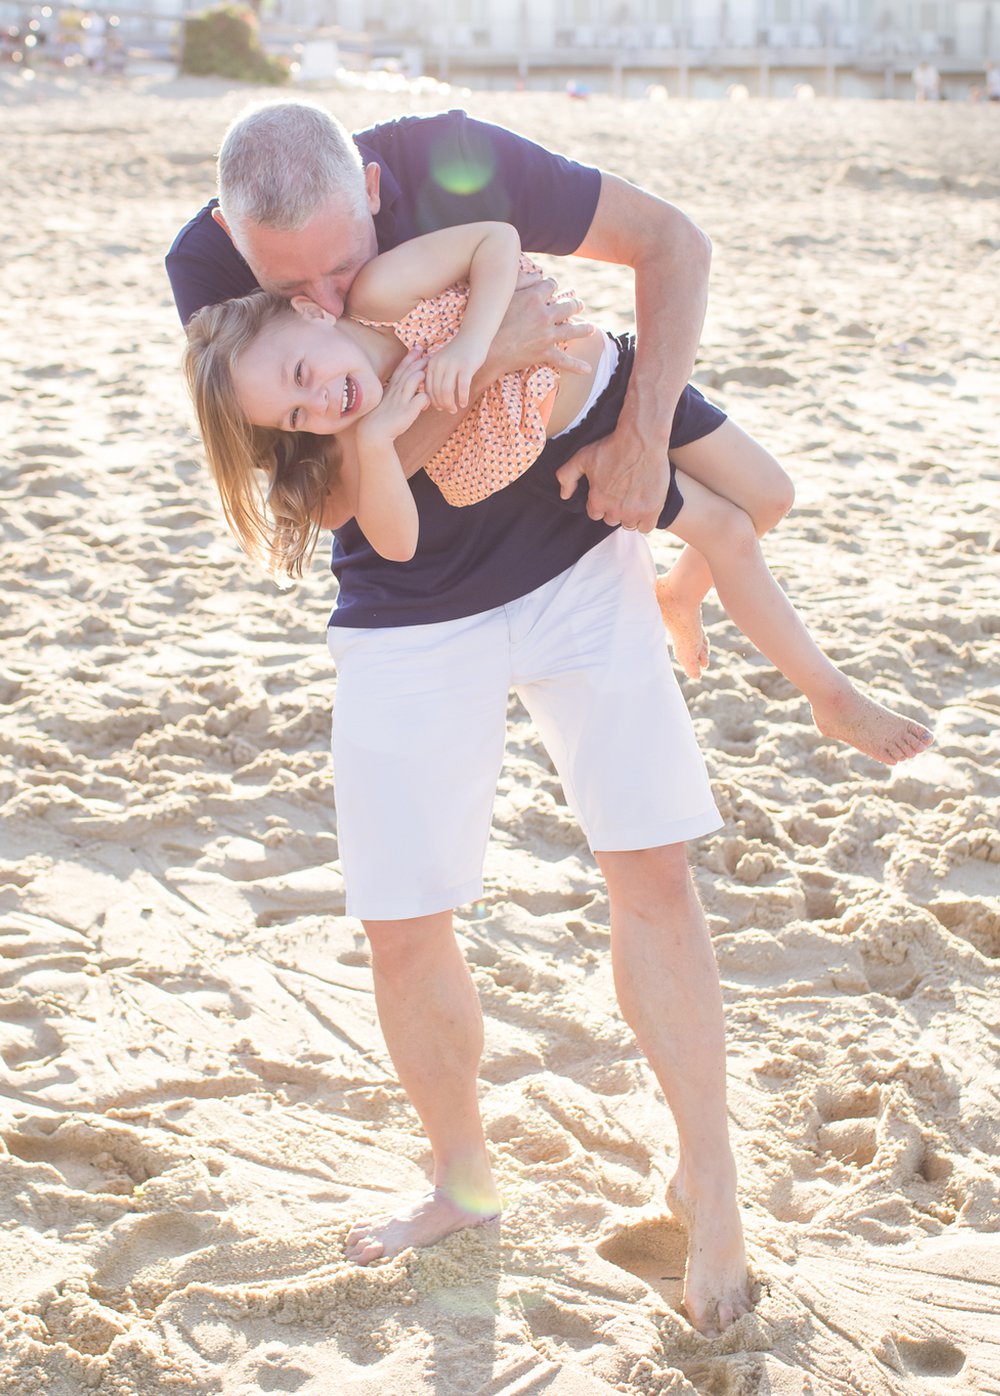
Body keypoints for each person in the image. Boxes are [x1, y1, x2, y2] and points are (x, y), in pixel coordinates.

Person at [164, 98, 900, 1337]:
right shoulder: (212, 276)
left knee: (649, 867)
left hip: (576, 557)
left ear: (379, 192)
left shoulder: (457, 161)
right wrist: (486, 367)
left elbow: (672, 244)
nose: (332, 301)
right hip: (403, 610)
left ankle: (708, 1183)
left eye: (343, 263)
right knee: (403, 919)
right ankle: (461, 1180)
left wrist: (641, 442)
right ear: (246, 261)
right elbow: (336, 498)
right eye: (299, 286)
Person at [183, 224, 933, 768]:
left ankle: (678, 594)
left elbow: (495, 241)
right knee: (731, 532)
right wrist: (376, 442)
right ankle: (829, 696)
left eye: (300, 375)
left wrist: (474, 344)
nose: (318, 403)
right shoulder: (360, 429)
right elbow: (398, 540)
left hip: (623, 378)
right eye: (294, 416)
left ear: (312, 314)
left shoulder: (380, 294)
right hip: (568, 451)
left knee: (770, 497)